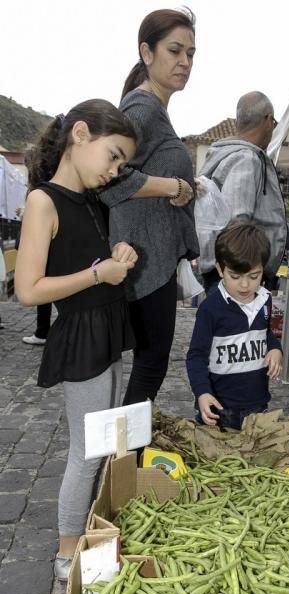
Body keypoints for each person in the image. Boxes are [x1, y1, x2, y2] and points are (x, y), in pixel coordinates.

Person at [15, 100, 139, 581]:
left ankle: (96, 528)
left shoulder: (91, 202)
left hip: (107, 329)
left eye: (121, 163)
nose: (114, 170)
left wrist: (119, 256)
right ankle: (68, 552)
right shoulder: (43, 201)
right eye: (113, 156)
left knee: (106, 442)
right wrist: (96, 274)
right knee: (85, 453)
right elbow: (28, 290)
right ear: (80, 135)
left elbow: (95, 264)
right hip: (82, 339)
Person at [100, 8, 199, 406]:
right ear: (146, 52)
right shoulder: (141, 109)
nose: (185, 62)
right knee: (150, 364)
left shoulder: (154, 110)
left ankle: (126, 457)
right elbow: (108, 177)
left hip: (149, 257)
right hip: (142, 261)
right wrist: (173, 185)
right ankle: (126, 460)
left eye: (191, 53)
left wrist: (183, 190)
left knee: (149, 363)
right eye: (174, 50)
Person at [186, 221, 283, 429]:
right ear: (220, 269)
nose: (245, 284)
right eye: (235, 276)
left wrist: (275, 349)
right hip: (220, 408)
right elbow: (196, 356)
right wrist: (202, 393)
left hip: (258, 405)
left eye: (254, 276)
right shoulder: (210, 308)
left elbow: (266, 334)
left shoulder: (265, 299)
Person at [197, 91, 287, 292]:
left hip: (228, 271)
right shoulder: (247, 158)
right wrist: (246, 278)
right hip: (241, 271)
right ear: (268, 119)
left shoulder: (223, 156)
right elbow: (237, 222)